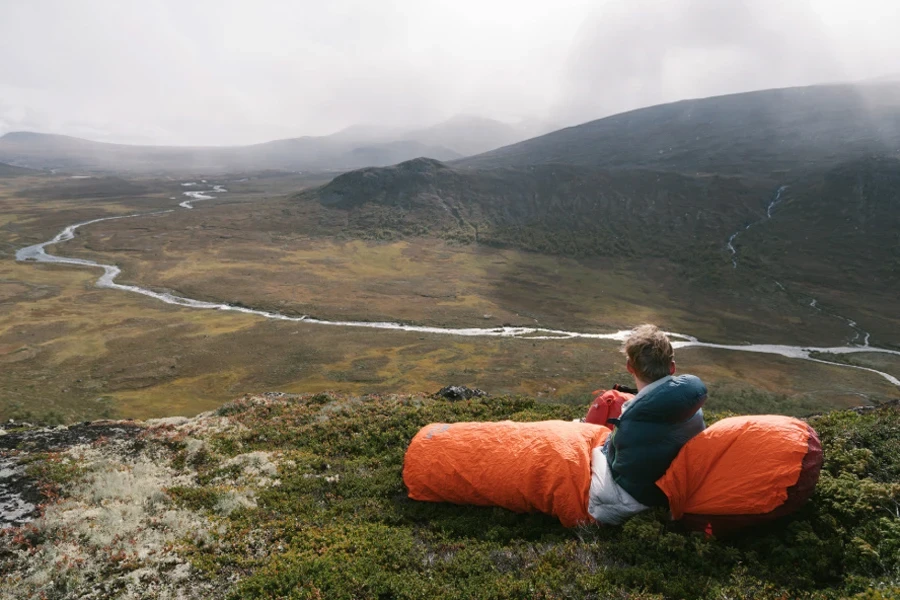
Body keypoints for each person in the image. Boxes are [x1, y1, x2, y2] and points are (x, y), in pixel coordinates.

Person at [587, 324, 707, 524]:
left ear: (630, 367)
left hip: (640, 499)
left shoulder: (631, 424)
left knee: (593, 452)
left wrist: (603, 447)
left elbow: (618, 469)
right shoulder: (693, 403)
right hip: (676, 491)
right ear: (672, 367)